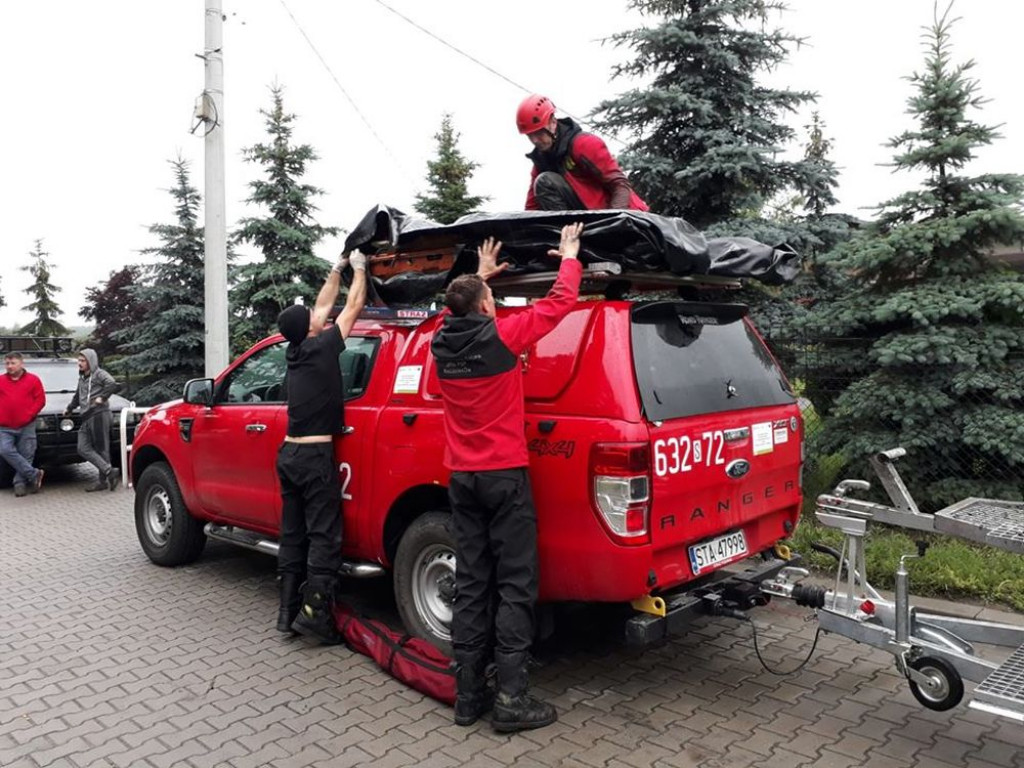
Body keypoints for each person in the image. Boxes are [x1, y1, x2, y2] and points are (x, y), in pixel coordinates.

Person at [430, 223, 584, 733]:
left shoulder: (440, 344)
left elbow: (457, 307)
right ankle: (513, 700)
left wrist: (478, 276)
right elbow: (559, 303)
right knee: (516, 583)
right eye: (491, 297)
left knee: (473, 583)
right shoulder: (502, 335)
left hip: (463, 479)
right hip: (503, 477)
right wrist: (568, 255)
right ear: (486, 309)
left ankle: (468, 695)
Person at [275, 249, 368, 644]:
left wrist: (338, 266)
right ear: (311, 327)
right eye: (314, 316)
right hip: (313, 457)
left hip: (289, 455)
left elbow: (325, 302)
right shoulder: (323, 346)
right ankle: (315, 615)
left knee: (292, 532)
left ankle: (286, 613)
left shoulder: (296, 349)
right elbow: (353, 304)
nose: (319, 314)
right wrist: (360, 270)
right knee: (324, 535)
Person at [517, 94, 649, 213]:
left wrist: (613, 222)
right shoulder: (541, 162)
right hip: (589, 221)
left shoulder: (584, 143)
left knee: (545, 181)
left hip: (627, 216)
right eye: (530, 135)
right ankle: (567, 235)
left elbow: (620, 185)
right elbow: (532, 209)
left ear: (553, 123)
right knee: (543, 182)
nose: (535, 140)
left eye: (539, 133)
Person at [64, 349, 121, 492]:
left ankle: (103, 482)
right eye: (79, 360)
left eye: (83, 361)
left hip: (99, 414)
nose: (80, 363)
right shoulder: (83, 377)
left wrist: (103, 397)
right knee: (82, 448)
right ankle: (109, 471)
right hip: (86, 416)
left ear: (91, 361)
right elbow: (78, 395)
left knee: (102, 449)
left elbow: (112, 383)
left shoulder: (99, 374)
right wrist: (70, 408)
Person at [0, 351, 46, 497]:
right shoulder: (0, 380)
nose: (9, 366)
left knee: (26, 454)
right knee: (5, 450)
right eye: (7, 363)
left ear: (21, 363)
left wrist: (29, 415)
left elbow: (40, 400)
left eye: (13, 363)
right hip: (4, 427)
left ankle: (19, 483)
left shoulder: (33, 380)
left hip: (27, 425)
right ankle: (34, 474)